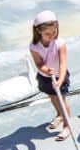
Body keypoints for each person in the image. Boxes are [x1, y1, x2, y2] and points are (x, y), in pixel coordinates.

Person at [29, 10, 71, 141]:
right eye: (48, 34)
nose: (52, 36)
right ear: (38, 31)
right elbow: (38, 63)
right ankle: (59, 115)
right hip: (45, 76)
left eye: (54, 32)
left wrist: (61, 80)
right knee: (52, 97)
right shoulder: (34, 46)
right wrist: (45, 69)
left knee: (61, 100)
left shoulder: (60, 43)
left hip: (60, 76)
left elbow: (63, 64)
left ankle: (67, 126)